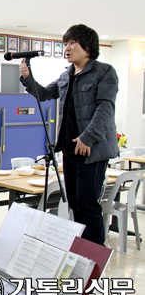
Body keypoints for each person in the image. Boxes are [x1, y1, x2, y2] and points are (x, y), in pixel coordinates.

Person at [19, 24, 119, 245]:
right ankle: (81, 252)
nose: (67, 47)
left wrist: (87, 137)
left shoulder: (104, 72)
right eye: (66, 43)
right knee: (74, 204)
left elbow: (105, 109)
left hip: (91, 150)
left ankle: (94, 258)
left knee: (88, 205)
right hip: (69, 149)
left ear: (88, 47)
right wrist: (27, 78)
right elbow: (44, 94)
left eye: (73, 43)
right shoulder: (67, 75)